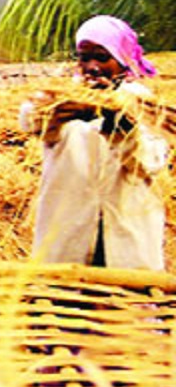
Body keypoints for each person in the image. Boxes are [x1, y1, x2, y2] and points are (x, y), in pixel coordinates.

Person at [20, 15, 169, 271]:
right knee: (65, 303)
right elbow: (31, 122)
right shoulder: (61, 98)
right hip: (68, 231)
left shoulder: (143, 104)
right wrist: (67, 110)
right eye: (84, 57)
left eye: (102, 57)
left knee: (127, 302)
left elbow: (150, 162)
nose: (92, 67)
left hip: (128, 231)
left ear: (122, 59)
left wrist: (123, 129)